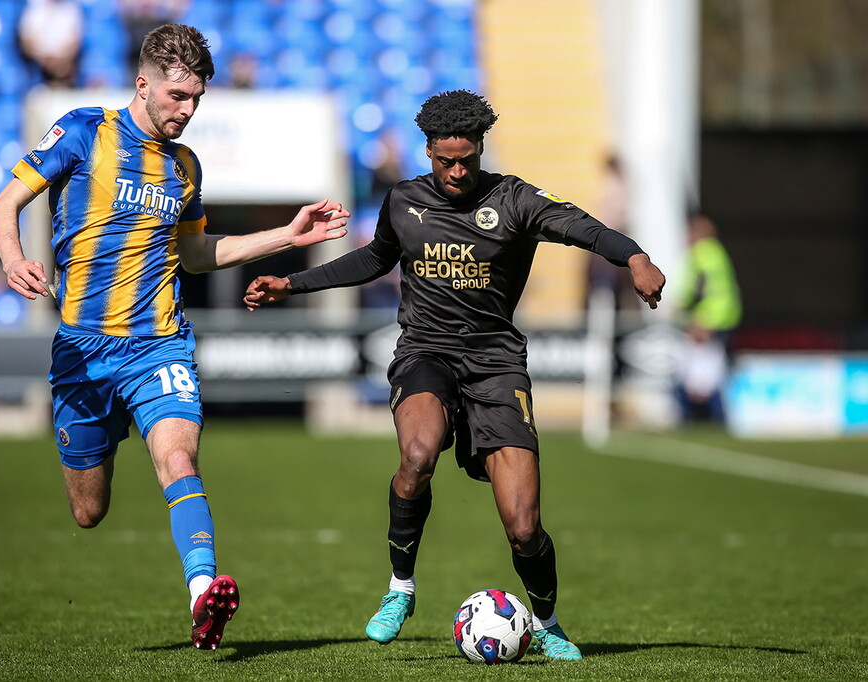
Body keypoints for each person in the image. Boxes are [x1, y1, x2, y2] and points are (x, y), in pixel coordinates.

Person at [244, 90, 665, 661]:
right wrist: (290, 283)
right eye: (446, 161)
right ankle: (400, 589)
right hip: (425, 352)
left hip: (495, 364)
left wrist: (635, 255)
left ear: (480, 148)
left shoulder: (515, 199)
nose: (458, 170)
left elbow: (588, 230)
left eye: (467, 158)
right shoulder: (403, 200)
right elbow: (373, 259)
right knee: (417, 456)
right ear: (429, 151)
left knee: (523, 525)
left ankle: (546, 620)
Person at [0, 24, 349, 650]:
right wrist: (13, 257)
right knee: (88, 511)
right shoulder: (83, 131)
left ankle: (202, 593)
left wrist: (287, 238)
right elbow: (4, 205)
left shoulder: (185, 166)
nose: (187, 111)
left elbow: (195, 252)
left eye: (196, 100)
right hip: (82, 348)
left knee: (179, 458)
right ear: (144, 82)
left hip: (158, 342)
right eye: (178, 96)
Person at [675, 213, 741, 423]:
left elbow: (697, 288)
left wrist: (683, 309)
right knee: (713, 375)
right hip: (724, 320)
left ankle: (700, 420)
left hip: (708, 322)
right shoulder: (718, 252)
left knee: (698, 378)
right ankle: (716, 421)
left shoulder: (701, 252)